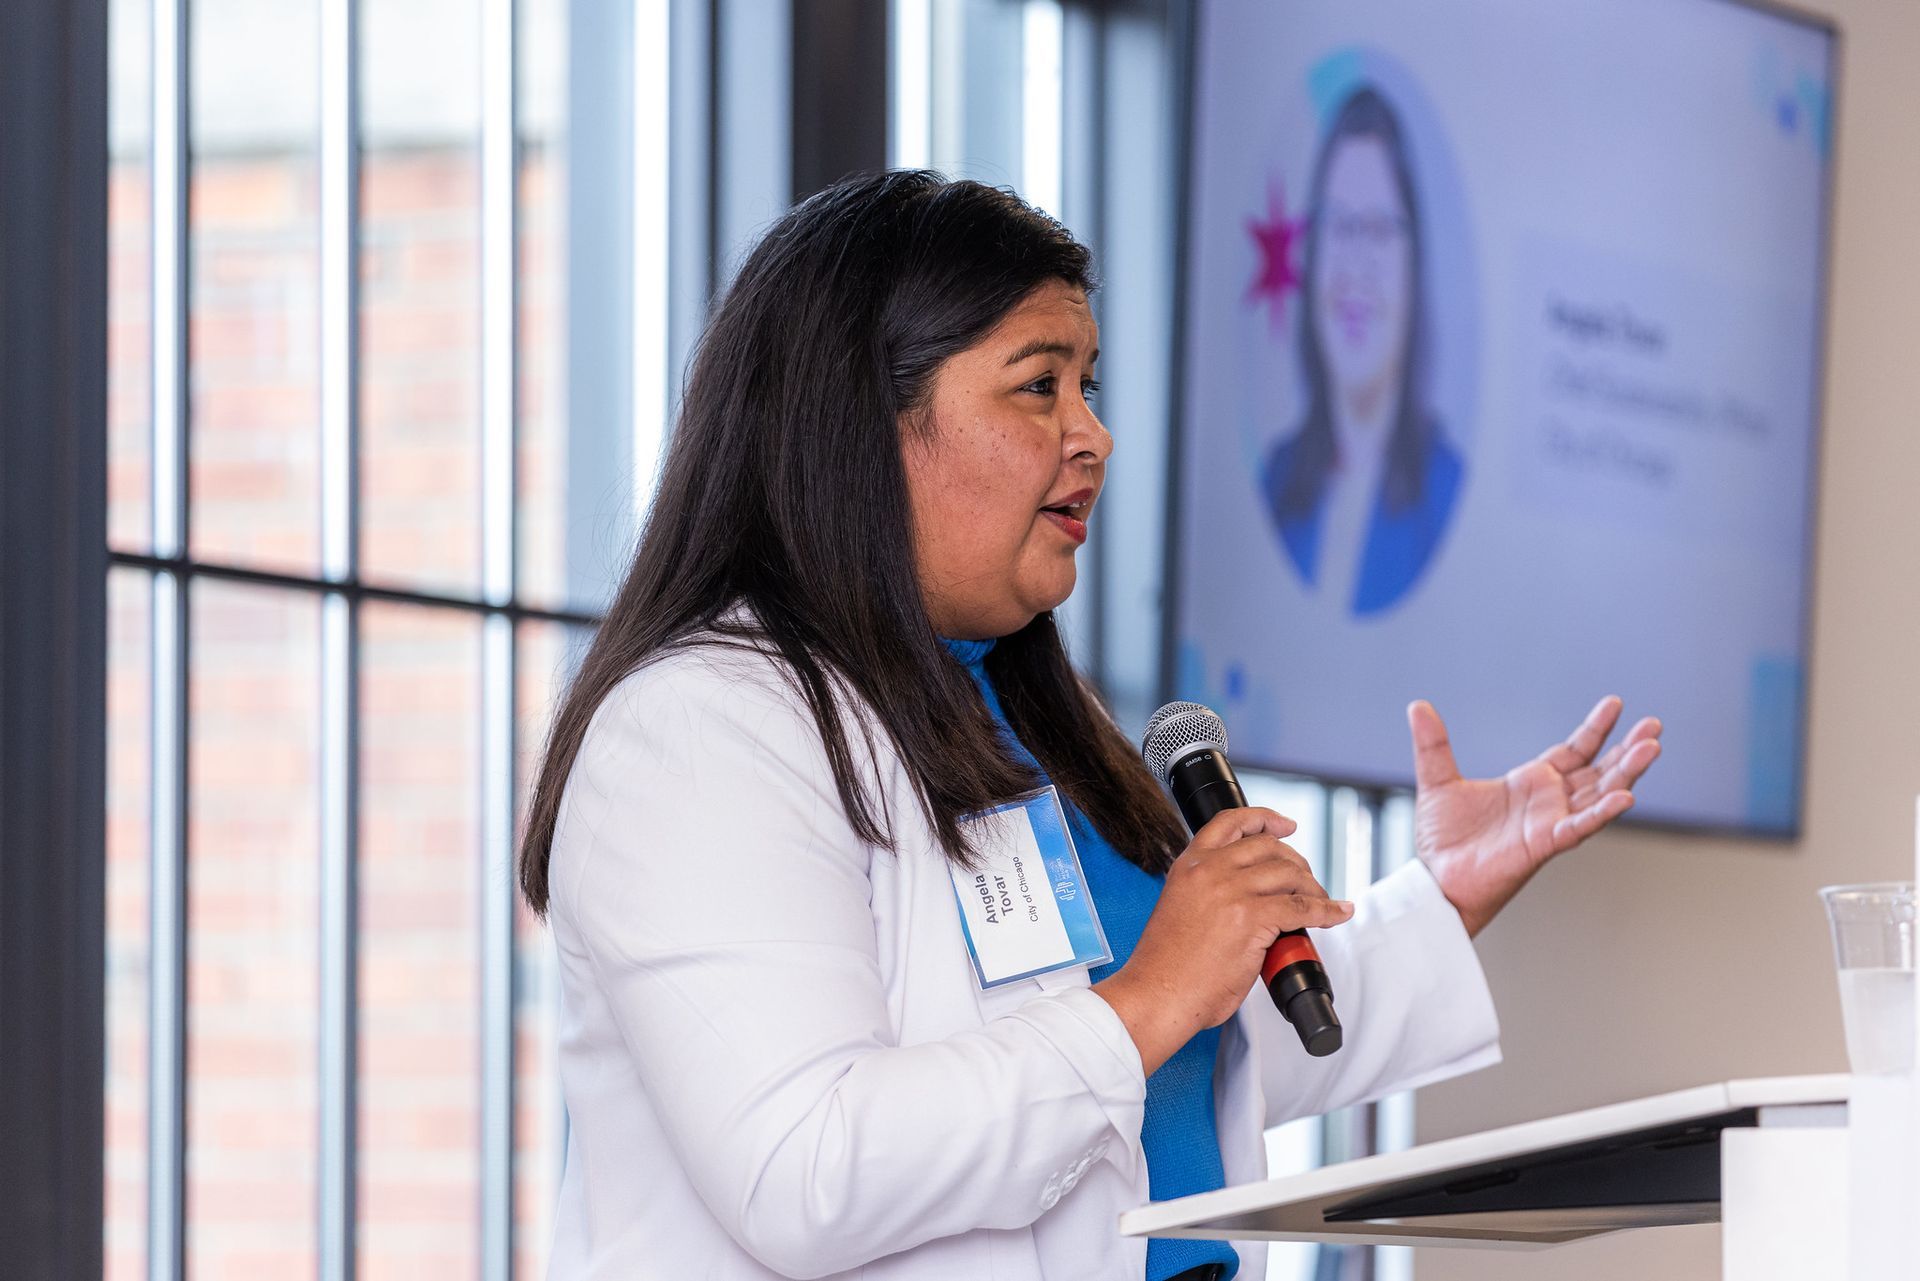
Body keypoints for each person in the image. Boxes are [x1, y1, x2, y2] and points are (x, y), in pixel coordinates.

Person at [518, 170, 1662, 1280]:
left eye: (1090, 387)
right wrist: (1152, 995)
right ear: (864, 425)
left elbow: (1186, 1066)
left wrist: (1448, 891)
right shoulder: (702, 729)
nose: (1093, 437)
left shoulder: (1014, 725)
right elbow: (803, 1169)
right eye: (1038, 386)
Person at [1263, 84, 1461, 617]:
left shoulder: (1448, 494)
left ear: (1412, 262)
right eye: (1339, 227)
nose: (1355, 265)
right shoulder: (1273, 482)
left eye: (1377, 230)